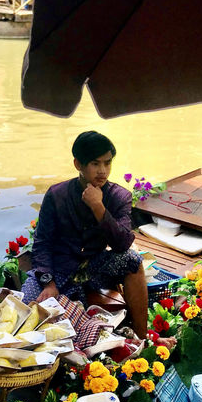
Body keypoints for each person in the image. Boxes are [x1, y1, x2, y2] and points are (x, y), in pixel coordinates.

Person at [21, 130, 148, 338]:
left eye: (107, 163)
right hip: (59, 270)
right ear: (78, 164)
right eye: (95, 164)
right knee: (27, 307)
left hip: (96, 267)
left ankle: (142, 335)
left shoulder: (119, 197)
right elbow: (42, 244)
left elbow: (122, 244)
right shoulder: (56, 195)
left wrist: (98, 207)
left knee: (133, 260)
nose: (103, 171)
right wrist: (48, 283)